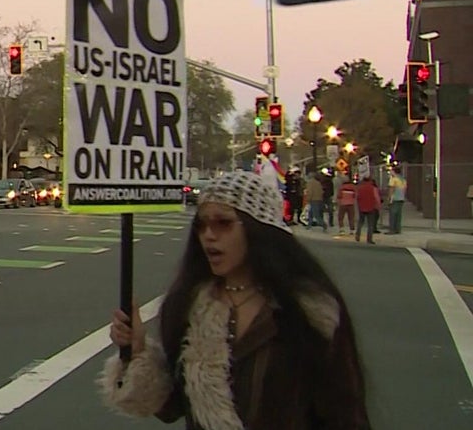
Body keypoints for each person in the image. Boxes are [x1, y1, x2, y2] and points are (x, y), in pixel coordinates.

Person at [102, 171, 370, 429]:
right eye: (202, 225)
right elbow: (174, 406)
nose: (209, 235)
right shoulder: (189, 306)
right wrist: (137, 351)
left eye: (223, 223)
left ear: (258, 230)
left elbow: (344, 413)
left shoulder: (310, 311)